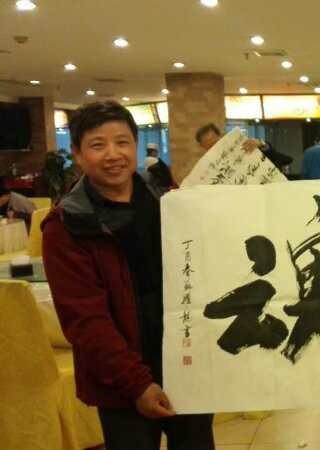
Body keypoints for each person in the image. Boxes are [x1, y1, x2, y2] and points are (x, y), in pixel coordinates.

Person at [41, 101, 215, 450]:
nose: (113, 154)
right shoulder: (67, 225)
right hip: (120, 382)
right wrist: (136, 383)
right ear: (76, 153)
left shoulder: (166, 199)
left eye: (122, 142)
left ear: (135, 145)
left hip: (185, 365)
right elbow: (85, 320)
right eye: (97, 145)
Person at [194, 123, 259, 153]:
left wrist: (259, 144)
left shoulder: (239, 146)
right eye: (210, 147)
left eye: (215, 143)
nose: (214, 148)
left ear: (220, 137)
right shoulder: (207, 168)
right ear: (203, 147)